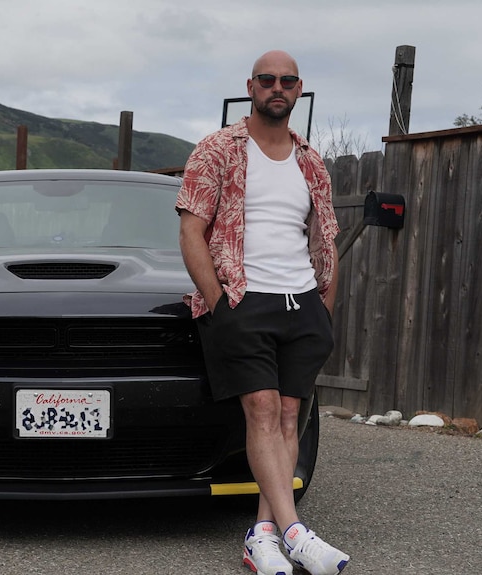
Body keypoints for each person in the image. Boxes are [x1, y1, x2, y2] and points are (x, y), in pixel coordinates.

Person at [176, 50, 350, 575]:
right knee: (262, 409)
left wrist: (324, 308)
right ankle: (296, 531)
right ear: (250, 86)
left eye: (288, 81)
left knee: (290, 413)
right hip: (244, 298)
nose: (278, 87)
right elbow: (190, 231)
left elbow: (326, 239)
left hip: (302, 304)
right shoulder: (217, 149)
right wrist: (222, 302)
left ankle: (265, 535)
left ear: (299, 91)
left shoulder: (310, 160)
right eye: (268, 79)